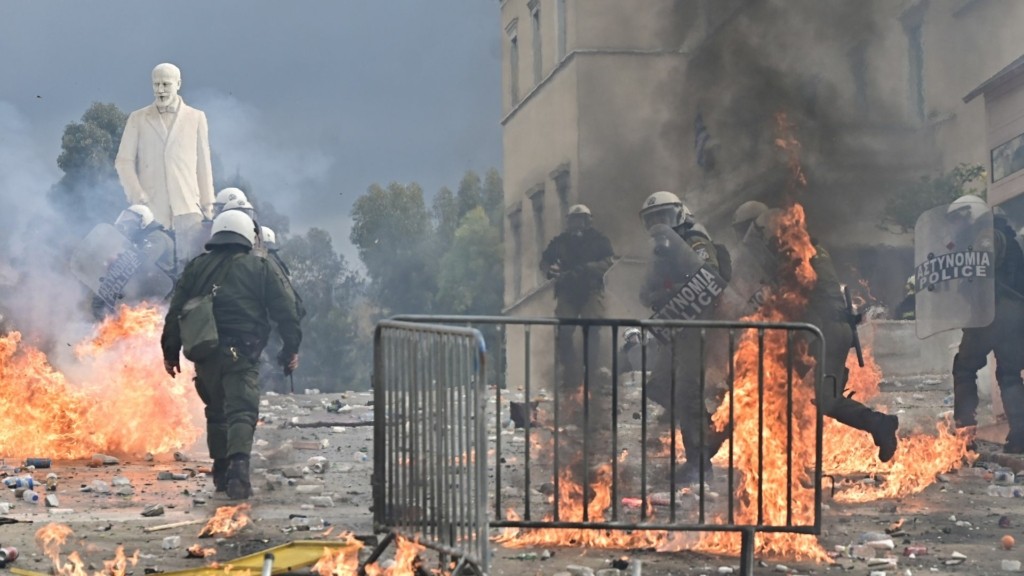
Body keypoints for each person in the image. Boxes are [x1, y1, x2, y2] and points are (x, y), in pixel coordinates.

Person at [161, 211, 302, 499]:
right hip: (242, 353)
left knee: (215, 411)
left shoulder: (196, 267)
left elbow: (175, 312)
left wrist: (170, 352)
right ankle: (238, 472)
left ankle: (221, 470)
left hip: (205, 353)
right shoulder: (260, 268)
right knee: (241, 410)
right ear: (246, 235)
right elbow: (287, 312)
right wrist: (290, 349)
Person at [757, 208, 899, 462]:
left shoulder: (798, 251)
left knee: (826, 400)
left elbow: (793, 295)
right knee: (777, 386)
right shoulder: (807, 247)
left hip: (825, 332)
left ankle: (880, 424)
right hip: (818, 331)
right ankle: (783, 455)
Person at [638, 191, 730, 483]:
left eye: (663, 217)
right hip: (676, 329)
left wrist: (676, 289)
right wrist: (660, 293)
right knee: (659, 386)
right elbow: (644, 293)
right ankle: (706, 432)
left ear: (678, 214)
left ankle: (699, 463)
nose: (658, 225)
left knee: (687, 390)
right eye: (652, 220)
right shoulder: (661, 253)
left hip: (700, 327)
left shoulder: (694, 240)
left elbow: (709, 276)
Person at [115, 63, 215, 265]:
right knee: (153, 270)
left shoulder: (196, 117)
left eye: (166, 84)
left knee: (191, 269)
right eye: (156, 84)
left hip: (188, 208)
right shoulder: (138, 118)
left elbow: (203, 166)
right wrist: (137, 195)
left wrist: (208, 206)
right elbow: (123, 161)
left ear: (178, 84)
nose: (160, 90)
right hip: (152, 211)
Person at [947, 196, 1024, 452]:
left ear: (971, 214)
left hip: (991, 311)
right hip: (1013, 313)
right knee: (1009, 374)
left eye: (959, 217)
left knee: (965, 368)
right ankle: (1020, 437)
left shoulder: (984, 237)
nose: (955, 224)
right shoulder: (1003, 235)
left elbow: (979, 278)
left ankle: (965, 434)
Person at [539, 204, 615, 382]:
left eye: (581, 219)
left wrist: (587, 269)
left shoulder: (599, 240)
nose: (577, 224)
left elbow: (609, 262)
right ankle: (569, 369)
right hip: (567, 290)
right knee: (564, 330)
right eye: (574, 220)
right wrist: (550, 270)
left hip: (591, 289)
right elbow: (544, 261)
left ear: (588, 221)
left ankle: (593, 368)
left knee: (593, 328)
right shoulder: (560, 242)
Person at [91, 205, 176, 320]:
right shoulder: (137, 241)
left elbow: (142, 262)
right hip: (144, 284)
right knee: (101, 299)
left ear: (143, 221)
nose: (127, 227)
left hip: (160, 290)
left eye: (130, 223)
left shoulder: (157, 238)